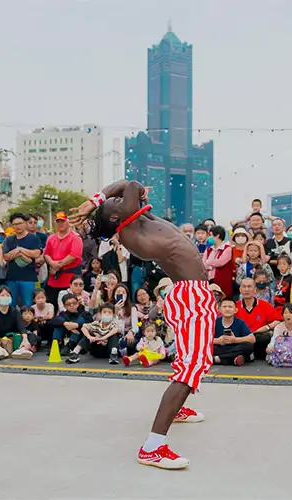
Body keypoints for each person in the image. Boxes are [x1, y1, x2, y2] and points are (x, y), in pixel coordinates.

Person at [71, 179, 218, 470]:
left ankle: (178, 409)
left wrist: (100, 201)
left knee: (190, 361)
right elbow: (132, 184)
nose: (116, 200)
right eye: (114, 203)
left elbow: (132, 189)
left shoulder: (138, 221)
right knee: (193, 367)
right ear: (116, 216)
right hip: (192, 295)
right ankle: (153, 446)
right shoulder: (130, 230)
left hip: (190, 293)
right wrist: (95, 201)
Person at [43, 211, 83, 308]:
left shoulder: (75, 237)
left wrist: (59, 265)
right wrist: (52, 263)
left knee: (70, 307)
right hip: (53, 280)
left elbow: (74, 255)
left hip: (70, 281)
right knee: (51, 306)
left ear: (68, 222)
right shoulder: (51, 238)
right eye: (58, 222)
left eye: (63, 221)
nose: (60, 224)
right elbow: (46, 254)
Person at [1, 213, 42, 307]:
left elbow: (36, 253)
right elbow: (6, 256)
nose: (18, 226)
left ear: (25, 223)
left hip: (28, 278)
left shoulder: (33, 238)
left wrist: (20, 250)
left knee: (27, 305)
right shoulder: (9, 239)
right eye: (15, 224)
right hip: (11, 277)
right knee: (10, 304)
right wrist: (20, 254)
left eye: (20, 223)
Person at [212, 297, 254, 366]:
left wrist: (234, 340)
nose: (227, 309)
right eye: (224, 307)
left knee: (248, 346)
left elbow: (252, 339)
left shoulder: (240, 323)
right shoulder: (214, 322)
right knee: (207, 348)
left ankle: (217, 359)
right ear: (219, 310)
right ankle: (233, 359)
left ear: (235, 310)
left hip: (235, 347)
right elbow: (203, 340)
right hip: (219, 348)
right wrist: (218, 341)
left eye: (230, 307)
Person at [202, 225, 233, 298]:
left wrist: (208, 263)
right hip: (209, 279)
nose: (209, 238)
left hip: (222, 280)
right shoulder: (209, 249)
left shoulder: (227, 248)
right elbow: (203, 263)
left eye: (211, 235)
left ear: (217, 235)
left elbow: (220, 262)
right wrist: (210, 264)